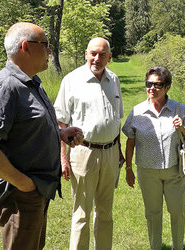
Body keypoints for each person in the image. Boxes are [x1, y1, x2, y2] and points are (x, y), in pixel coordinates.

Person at [0, 22, 83, 250]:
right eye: (45, 45)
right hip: (20, 197)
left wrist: (60, 133)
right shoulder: (6, 87)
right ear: (25, 47)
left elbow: (24, 129)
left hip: (35, 192)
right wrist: (23, 184)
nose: (50, 51)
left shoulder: (30, 83)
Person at [53, 37, 125, 250]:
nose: (97, 58)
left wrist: (119, 150)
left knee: (105, 213)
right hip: (84, 153)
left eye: (102, 54)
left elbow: (115, 119)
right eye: (93, 53)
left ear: (109, 57)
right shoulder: (71, 80)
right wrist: (63, 158)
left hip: (110, 153)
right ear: (86, 53)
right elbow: (61, 123)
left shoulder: (114, 79)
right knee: (82, 213)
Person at [122, 66, 185, 250]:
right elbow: (130, 141)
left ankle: (177, 247)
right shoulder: (137, 111)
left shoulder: (178, 109)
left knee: (177, 211)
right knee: (153, 213)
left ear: (167, 87)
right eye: (149, 84)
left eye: (158, 84)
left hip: (174, 171)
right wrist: (129, 169)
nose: (152, 88)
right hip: (147, 172)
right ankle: (155, 247)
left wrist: (183, 129)